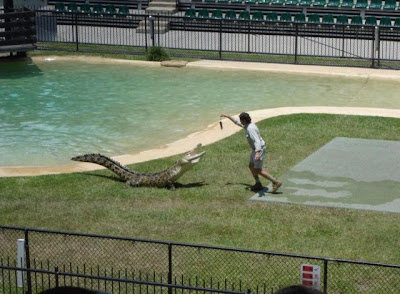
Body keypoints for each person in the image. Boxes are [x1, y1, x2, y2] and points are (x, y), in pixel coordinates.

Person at [220, 112, 282, 193]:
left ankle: (275, 181)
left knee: (258, 170)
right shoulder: (247, 125)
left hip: (259, 149)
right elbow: (237, 122)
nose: (240, 121)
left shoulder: (250, 129)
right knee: (251, 166)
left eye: (241, 120)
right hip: (255, 150)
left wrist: (257, 153)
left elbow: (257, 141)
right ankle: (258, 184)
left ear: (244, 120)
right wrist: (227, 116)